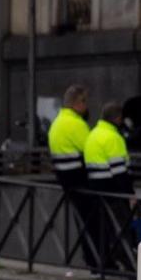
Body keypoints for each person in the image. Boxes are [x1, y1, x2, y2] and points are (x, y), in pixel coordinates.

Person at [48, 85, 96, 269]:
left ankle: (92, 261)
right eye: (85, 102)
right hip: (82, 181)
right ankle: (97, 263)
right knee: (93, 224)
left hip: (66, 181)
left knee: (83, 224)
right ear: (78, 103)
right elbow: (90, 149)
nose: (87, 106)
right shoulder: (76, 124)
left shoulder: (57, 123)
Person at [84, 102, 132, 273]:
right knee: (122, 231)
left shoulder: (93, 134)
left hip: (96, 191)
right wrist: (130, 194)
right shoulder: (113, 138)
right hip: (114, 193)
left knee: (105, 231)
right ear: (118, 118)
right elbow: (120, 172)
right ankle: (130, 267)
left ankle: (103, 265)